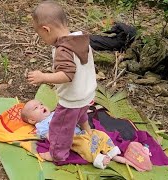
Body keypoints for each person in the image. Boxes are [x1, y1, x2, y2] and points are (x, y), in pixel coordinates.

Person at [27, 0, 96, 163]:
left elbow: (67, 74)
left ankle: (57, 154)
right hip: (87, 93)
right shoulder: (81, 39)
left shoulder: (63, 50)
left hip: (72, 99)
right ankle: (87, 128)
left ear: (46, 29)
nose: (42, 38)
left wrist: (43, 77)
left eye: (40, 35)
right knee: (81, 112)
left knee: (60, 127)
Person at [21, 99, 121, 169]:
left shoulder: (55, 113)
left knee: (99, 134)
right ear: (32, 120)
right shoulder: (41, 125)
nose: (41, 106)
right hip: (72, 138)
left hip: (81, 132)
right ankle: (98, 159)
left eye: (41, 104)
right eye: (36, 108)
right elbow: (49, 136)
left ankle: (111, 151)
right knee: (84, 146)